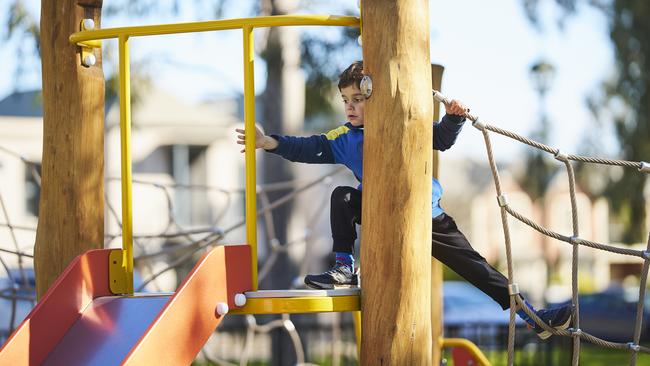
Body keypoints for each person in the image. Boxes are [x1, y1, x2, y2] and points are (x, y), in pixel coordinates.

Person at [236, 61, 571, 339]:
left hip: (426, 216)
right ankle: (343, 266)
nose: (350, 107)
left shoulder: (403, 124)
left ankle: (533, 317)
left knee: (479, 269)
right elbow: (309, 147)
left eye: (357, 99)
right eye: (345, 100)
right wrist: (270, 142)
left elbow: (440, 139)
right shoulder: (344, 138)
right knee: (342, 196)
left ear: (375, 98)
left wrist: (453, 118)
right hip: (382, 212)